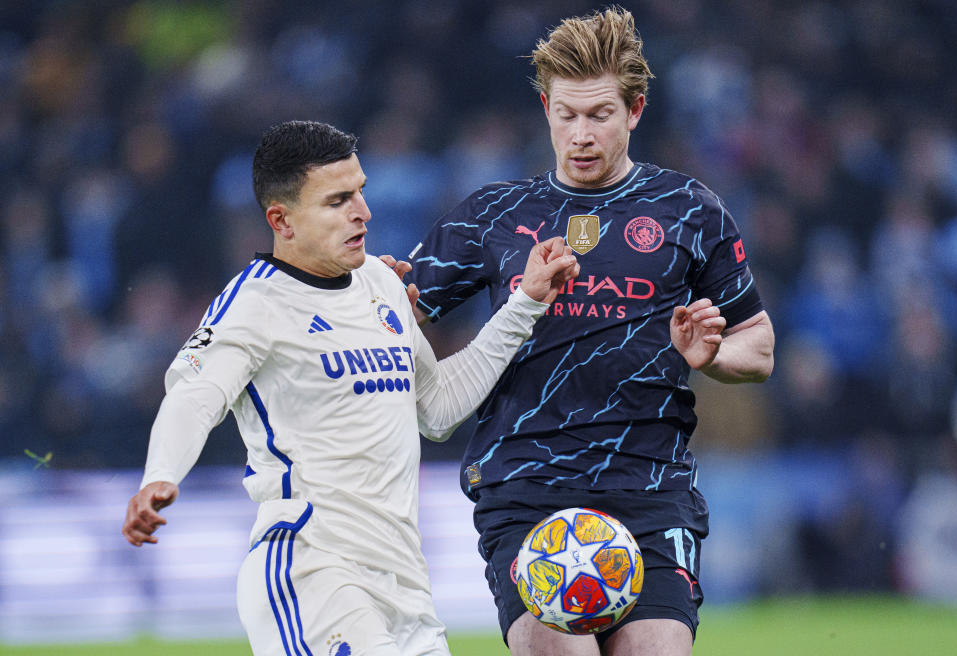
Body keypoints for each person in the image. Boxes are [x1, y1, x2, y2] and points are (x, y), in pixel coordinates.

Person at [120, 120, 579, 656]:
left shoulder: (381, 285)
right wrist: (160, 476)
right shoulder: (253, 304)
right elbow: (194, 398)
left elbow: (436, 409)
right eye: (337, 200)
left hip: (405, 582)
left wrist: (524, 305)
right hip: (313, 571)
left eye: (359, 191)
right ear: (281, 220)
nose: (363, 212)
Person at [404, 8, 775, 656]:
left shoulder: (690, 211)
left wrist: (712, 356)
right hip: (526, 488)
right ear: (545, 107)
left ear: (634, 111)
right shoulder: (495, 214)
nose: (580, 133)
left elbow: (761, 345)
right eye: (566, 114)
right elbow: (399, 314)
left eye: (599, 115)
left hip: (651, 489)